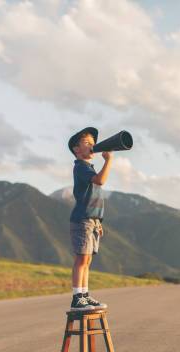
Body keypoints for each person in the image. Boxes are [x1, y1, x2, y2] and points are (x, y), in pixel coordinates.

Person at [67, 127, 113, 310]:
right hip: (82, 220)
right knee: (81, 259)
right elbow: (101, 181)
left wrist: (98, 221)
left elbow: (95, 198)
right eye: (87, 143)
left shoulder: (88, 167)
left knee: (87, 260)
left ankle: (84, 294)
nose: (93, 146)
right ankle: (77, 297)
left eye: (93, 143)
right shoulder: (81, 167)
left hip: (92, 220)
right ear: (76, 149)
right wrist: (108, 161)